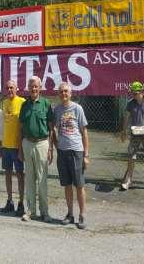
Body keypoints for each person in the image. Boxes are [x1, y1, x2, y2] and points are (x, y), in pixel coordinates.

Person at [53, 82, 90, 229]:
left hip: (76, 151)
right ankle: (70, 214)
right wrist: (56, 146)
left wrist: (86, 155)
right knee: (67, 185)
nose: (63, 94)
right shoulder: (57, 110)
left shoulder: (77, 108)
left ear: (71, 93)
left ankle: (82, 215)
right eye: (61, 92)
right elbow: (53, 130)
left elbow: (84, 132)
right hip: (62, 152)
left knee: (79, 185)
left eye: (66, 91)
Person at [19, 76, 55, 223]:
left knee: (42, 180)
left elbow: (51, 128)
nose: (33, 89)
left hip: (42, 144)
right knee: (29, 179)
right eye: (31, 86)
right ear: (28, 88)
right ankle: (31, 211)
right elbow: (21, 128)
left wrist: (51, 148)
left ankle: (44, 212)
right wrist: (21, 148)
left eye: (36, 86)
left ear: (40, 88)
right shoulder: (24, 105)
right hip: (27, 143)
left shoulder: (46, 104)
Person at [120, 81, 144, 193]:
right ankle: (128, 181)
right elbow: (126, 117)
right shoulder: (130, 103)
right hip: (134, 134)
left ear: (141, 92)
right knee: (131, 157)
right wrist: (123, 132)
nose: (133, 94)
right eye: (132, 92)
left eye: (135, 92)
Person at [0, 80, 26, 216]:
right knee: (8, 174)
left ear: (17, 88)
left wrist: (22, 145)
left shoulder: (22, 101)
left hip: (17, 146)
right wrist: (1, 144)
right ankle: (10, 201)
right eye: (7, 88)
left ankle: (21, 203)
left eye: (12, 88)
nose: (9, 90)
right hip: (6, 145)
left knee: (20, 175)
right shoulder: (4, 103)